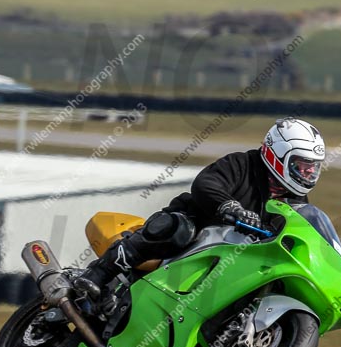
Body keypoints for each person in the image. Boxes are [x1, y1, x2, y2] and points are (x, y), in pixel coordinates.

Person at [75, 117, 326, 298]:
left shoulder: (295, 203)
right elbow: (206, 183)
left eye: (313, 167)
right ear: (278, 155)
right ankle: (99, 273)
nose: (308, 172)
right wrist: (230, 207)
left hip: (233, 258)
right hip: (197, 228)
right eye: (302, 165)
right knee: (177, 229)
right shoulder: (243, 164)